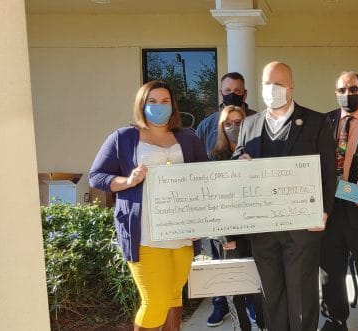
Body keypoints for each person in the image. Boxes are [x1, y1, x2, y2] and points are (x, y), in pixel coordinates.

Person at [89, 80, 208, 331]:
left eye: (165, 101)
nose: (159, 106)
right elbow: (97, 177)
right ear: (141, 105)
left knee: (174, 296)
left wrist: (202, 220)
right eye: (152, 101)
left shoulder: (188, 138)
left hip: (181, 234)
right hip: (144, 235)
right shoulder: (123, 137)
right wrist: (128, 180)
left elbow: (205, 178)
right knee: (155, 301)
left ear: (173, 105)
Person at [232, 61, 337, 331]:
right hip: (262, 229)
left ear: (291, 86)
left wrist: (323, 211)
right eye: (267, 83)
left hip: (302, 227)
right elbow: (236, 165)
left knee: (302, 296)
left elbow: (328, 171)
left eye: (278, 83)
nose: (272, 89)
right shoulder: (250, 124)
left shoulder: (315, 121)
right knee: (271, 295)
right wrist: (239, 163)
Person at [320, 71, 358, 331]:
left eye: (353, 88)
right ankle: (335, 321)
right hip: (330, 213)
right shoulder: (325, 121)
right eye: (342, 90)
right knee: (330, 273)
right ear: (336, 93)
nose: (348, 94)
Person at [207, 105, 266, 330]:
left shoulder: (258, 152)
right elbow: (212, 200)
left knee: (259, 285)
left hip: (256, 231)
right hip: (228, 235)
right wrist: (224, 236)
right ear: (221, 128)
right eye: (228, 123)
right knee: (235, 289)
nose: (233, 127)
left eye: (239, 122)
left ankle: (263, 325)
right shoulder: (214, 157)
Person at [197, 72, 257, 159]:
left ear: (245, 94)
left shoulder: (258, 121)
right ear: (221, 94)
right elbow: (197, 161)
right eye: (228, 91)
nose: (232, 95)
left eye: (237, 91)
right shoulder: (206, 126)